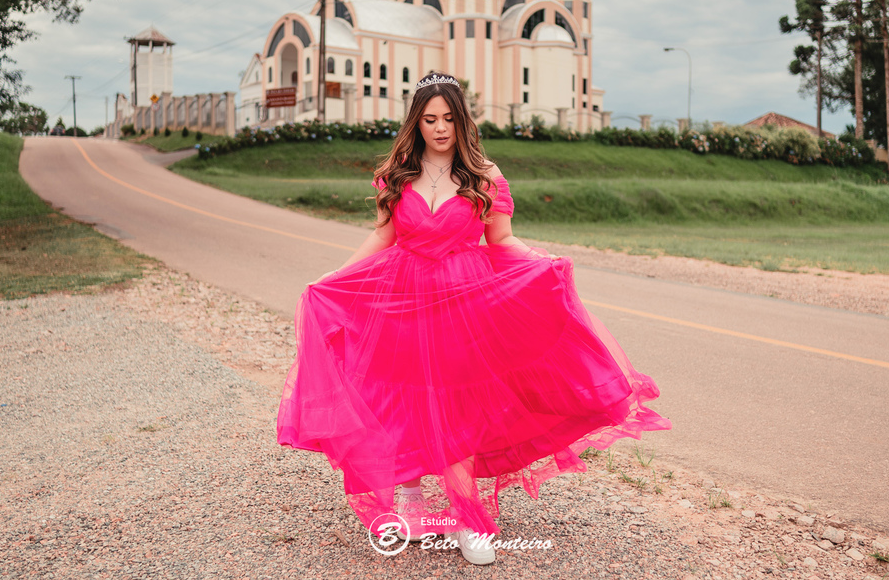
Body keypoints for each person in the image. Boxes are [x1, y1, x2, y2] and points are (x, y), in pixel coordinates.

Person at [276, 72, 670, 565]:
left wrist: (541, 262)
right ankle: (412, 501)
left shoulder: (484, 175)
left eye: (448, 118)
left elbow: (500, 238)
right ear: (417, 123)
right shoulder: (397, 173)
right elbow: (382, 236)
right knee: (401, 395)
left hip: (462, 302)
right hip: (402, 299)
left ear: (462, 121)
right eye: (429, 119)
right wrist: (336, 275)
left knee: (456, 406)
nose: (440, 128)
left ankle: (467, 515)